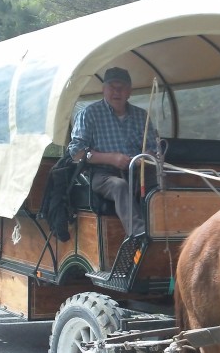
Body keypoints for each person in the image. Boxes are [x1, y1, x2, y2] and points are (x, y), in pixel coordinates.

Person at [67, 67, 158, 238]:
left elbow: (154, 149)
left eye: (121, 87)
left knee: (161, 182)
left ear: (129, 91)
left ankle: (166, 231)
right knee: (119, 186)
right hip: (103, 175)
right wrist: (111, 158)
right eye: (112, 87)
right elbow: (76, 152)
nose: (117, 92)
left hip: (138, 171)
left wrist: (146, 157)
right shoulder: (89, 114)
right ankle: (140, 236)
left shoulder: (141, 116)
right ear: (104, 90)